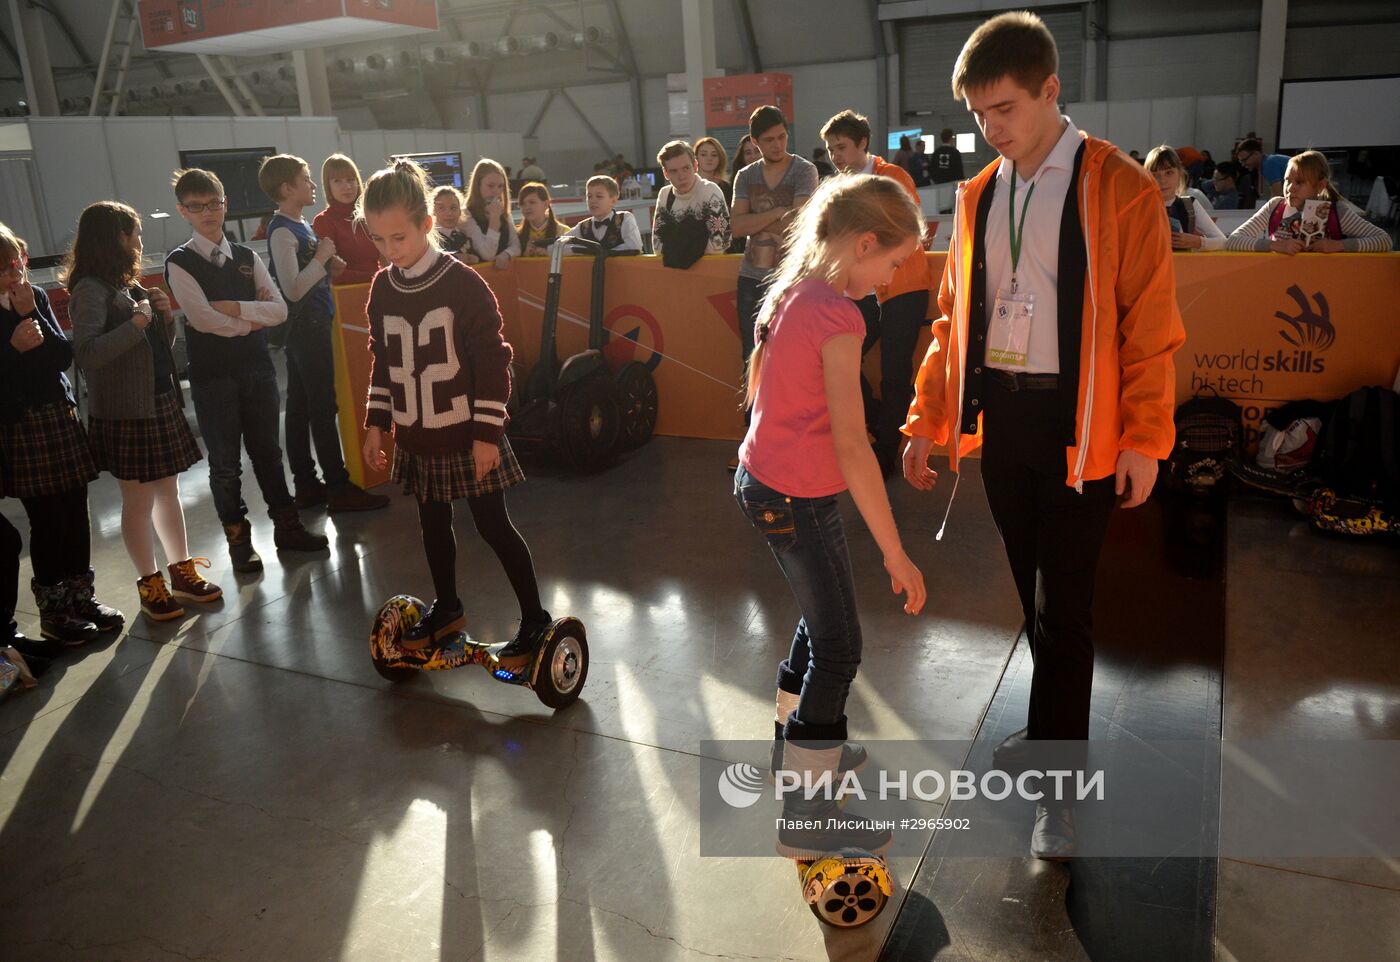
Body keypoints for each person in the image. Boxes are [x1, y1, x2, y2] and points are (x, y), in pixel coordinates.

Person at [901, 12, 1185, 860]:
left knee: (1068, 609)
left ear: (1051, 92)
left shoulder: (1121, 188)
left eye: (1006, 109)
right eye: (979, 115)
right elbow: (955, 320)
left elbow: (1150, 327)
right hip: (1007, 425)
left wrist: (1145, 438)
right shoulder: (981, 193)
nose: (991, 128)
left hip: (1084, 429)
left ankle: (1060, 793)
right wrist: (928, 420)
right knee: (1035, 601)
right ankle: (1048, 735)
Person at [735, 173, 927, 858]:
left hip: (763, 484)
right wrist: (895, 553)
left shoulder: (795, 292)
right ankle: (806, 816)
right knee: (841, 649)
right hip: (796, 500)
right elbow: (854, 444)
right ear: (864, 243)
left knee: (821, 625)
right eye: (893, 262)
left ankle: (800, 747)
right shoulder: (840, 315)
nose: (891, 278)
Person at [359, 160, 552, 670]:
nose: (388, 250)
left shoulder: (464, 284)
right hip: (418, 435)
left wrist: (487, 434)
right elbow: (383, 359)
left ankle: (535, 618)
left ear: (427, 224)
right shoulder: (383, 287)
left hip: (469, 435)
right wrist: (377, 423)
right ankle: (447, 609)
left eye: (398, 237)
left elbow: (494, 362)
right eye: (378, 239)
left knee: (494, 526)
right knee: (432, 524)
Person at [164, 168, 328, 572]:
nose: (208, 213)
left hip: (257, 370)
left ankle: (287, 530)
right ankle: (239, 544)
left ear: (226, 204)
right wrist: (255, 320)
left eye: (215, 203)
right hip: (213, 377)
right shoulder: (179, 262)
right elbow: (201, 320)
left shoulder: (246, 256)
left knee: (269, 455)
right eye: (197, 206)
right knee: (224, 465)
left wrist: (237, 311)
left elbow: (280, 310)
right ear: (183, 210)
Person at [66, 202, 221, 621]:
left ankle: (180, 571)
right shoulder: (89, 290)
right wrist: (135, 323)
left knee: (168, 492)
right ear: (111, 238)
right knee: (136, 501)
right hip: (124, 412)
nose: (139, 241)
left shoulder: (127, 284)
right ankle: (149, 583)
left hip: (156, 399)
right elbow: (87, 353)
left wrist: (162, 319)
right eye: (132, 232)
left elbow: (155, 351)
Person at [0, 221, 125, 645]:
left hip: (58, 413)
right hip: (20, 424)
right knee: (47, 519)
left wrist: (27, 314)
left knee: (76, 510)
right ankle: (55, 612)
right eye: (2, 268)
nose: (13, 273)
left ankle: (81, 598)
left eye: (15, 262)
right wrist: (14, 347)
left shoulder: (31, 297)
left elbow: (59, 355)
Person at [259, 154, 388, 513]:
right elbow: (292, 289)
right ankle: (337, 485)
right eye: (306, 179)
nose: (312, 184)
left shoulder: (298, 225)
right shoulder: (284, 230)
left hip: (314, 324)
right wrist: (322, 259)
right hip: (307, 327)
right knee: (320, 407)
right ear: (287, 188)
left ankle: (307, 483)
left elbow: (309, 278)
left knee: (301, 407)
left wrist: (329, 267)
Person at [821, 109, 934, 477]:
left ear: (863, 144)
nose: (835, 156)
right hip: (860, 294)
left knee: (895, 373)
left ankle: (887, 451)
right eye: (830, 149)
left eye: (841, 147)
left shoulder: (894, 176)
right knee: (841, 362)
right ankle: (876, 428)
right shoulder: (838, 187)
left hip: (902, 288)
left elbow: (910, 229)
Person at [731, 106, 820, 385]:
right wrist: (776, 212)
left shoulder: (805, 170)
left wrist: (754, 220)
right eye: (769, 140)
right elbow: (736, 227)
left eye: (782, 137)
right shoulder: (745, 175)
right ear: (754, 141)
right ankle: (753, 425)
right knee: (751, 355)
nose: (778, 144)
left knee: (794, 353)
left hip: (793, 278)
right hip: (751, 278)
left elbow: (798, 225)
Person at [1225, 150, 1392, 254]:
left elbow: (1384, 240)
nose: (1290, 188)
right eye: (1287, 180)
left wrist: (1339, 245)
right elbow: (1233, 240)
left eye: (1299, 182)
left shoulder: (1336, 212)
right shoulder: (1275, 206)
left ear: (1320, 185)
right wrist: (1275, 246)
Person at [651, 140, 731, 266]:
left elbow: (720, 243)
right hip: (674, 277)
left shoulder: (710, 190)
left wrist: (677, 249)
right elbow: (657, 245)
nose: (681, 176)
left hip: (711, 274)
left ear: (695, 166)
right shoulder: (665, 194)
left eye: (686, 168)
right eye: (673, 171)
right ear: (665, 173)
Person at [312, 153, 382, 284]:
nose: (347, 187)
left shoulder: (370, 215)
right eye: (337, 181)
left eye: (350, 179)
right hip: (348, 293)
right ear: (328, 185)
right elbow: (332, 272)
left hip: (380, 288)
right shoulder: (324, 221)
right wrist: (378, 279)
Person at [1144, 145, 1226, 251]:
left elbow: (1223, 242)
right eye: (1155, 175)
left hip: (1183, 266)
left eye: (1169, 173)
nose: (1162, 180)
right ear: (1147, 177)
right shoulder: (1137, 208)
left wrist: (1198, 242)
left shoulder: (1189, 205)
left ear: (1180, 174)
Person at [461, 159, 521, 269]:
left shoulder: (503, 212)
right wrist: (494, 219)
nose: (496, 191)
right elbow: (487, 254)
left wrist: (506, 254)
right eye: (490, 186)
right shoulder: (466, 214)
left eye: (500, 186)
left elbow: (516, 245)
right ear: (478, 186)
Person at [563, 175, 643, 252]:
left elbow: (634, 246)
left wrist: (602, 253)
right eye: (589, 196)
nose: (593, 200)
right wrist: (582, 250)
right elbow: (555, 246)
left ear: (613, 201)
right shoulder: (583, 227)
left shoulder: (624, 218)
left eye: (599, 196)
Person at [515, 182, 570, 257]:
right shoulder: (516, 235)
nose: (527, 207)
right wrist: (524, 255)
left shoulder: (564, 232)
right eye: (522, 204)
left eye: (532, 202)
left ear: (546, 204)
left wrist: (549, 254)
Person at [694, 136, 732, 206]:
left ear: (720, 159)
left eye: (714, 155)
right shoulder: (688, 185)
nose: (709, 158)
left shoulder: (726, 188)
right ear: (696, 158)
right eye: (704, 155)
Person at [432, 186, 469, 255]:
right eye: (441, 208)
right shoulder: (431, 241)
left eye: (453, 208)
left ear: (460, 212)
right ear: (433, 211)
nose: (449, 213)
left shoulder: (464, 237)